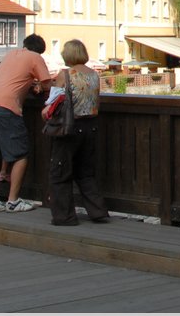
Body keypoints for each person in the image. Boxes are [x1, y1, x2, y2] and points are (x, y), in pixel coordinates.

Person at [0, 33, 53, 213]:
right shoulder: (35, 57)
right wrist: (38, 87)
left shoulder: (11, 54)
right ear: (40, 50)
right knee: (20, 154)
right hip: (6, 106)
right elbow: (48, 84)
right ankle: (13, 200)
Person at [47, 39, 110, 226]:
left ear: (68, 55)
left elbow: (54, 102)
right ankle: (97, 211)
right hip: (91, 126)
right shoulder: (94, 75)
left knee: (60, 171)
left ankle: (64, 216)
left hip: (69, 127)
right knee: (85, 172)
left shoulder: (65, 75)